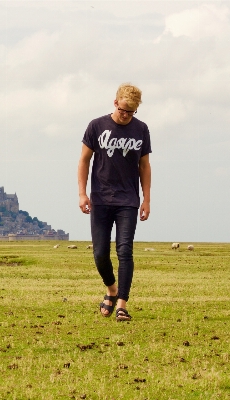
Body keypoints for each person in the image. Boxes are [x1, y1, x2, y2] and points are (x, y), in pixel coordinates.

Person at [77, 83, 152, 322]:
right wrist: (82, 193)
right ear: (115, 103)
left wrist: (146, 199)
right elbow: (84, 161)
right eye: (123, 110)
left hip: (128, 200)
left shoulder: (141, 130)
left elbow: (144, 166)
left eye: (131, 112)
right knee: (100, 253)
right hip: (100, 199)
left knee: (125, 251)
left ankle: (122, 305)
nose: (126, 115)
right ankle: (111, 289)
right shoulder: (96, 126)